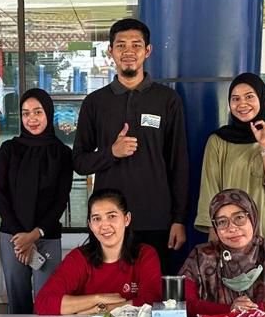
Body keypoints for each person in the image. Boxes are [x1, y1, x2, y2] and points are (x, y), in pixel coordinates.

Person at [72, 18, 188, 273]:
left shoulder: (167, 100)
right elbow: (79, 162)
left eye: (136, 45)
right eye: (121, 45)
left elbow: (178, 163)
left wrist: (178, 219)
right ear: (110, 51)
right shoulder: (95, 103)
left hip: (156, 219)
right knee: (110, 291)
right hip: (109, 223)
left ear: (148, 51)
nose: (128, 51)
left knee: (155, 292)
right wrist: (111, 153)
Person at [195, 72, 265, 249]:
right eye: (235, 99)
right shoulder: (218, 141)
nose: (242, 104)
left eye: (249, 97)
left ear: (261, 99)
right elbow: (210, 191)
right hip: (230, 233)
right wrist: (213, 236)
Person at [0, 88, 73, 314]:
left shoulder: (62, 153)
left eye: (38, 112)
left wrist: (35, 234)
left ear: (48, 113)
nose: (32, 119)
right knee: (17, 303)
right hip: (14, 238)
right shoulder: (8, 150)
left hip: (46, 235)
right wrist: (21, 237)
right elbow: (0, 194)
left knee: (47, 304)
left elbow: (60, 199)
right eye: (26, 113)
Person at [181, 190, 265, 317]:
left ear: (252, 217)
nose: (232, 228)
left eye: (239, 218)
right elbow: (180, 303)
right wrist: (229, 310)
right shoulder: (201, 257)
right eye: (222, 222)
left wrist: (256, 310)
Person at [35, 189, 162, 316]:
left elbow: (151, 301)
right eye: (97, 218)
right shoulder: (78, 258)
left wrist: (98, 309)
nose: (104, 225)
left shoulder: (145, 255)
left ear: (127, 219)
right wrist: (98, 299)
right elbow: (43, 303)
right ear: (90, 225)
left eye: (111, 216)